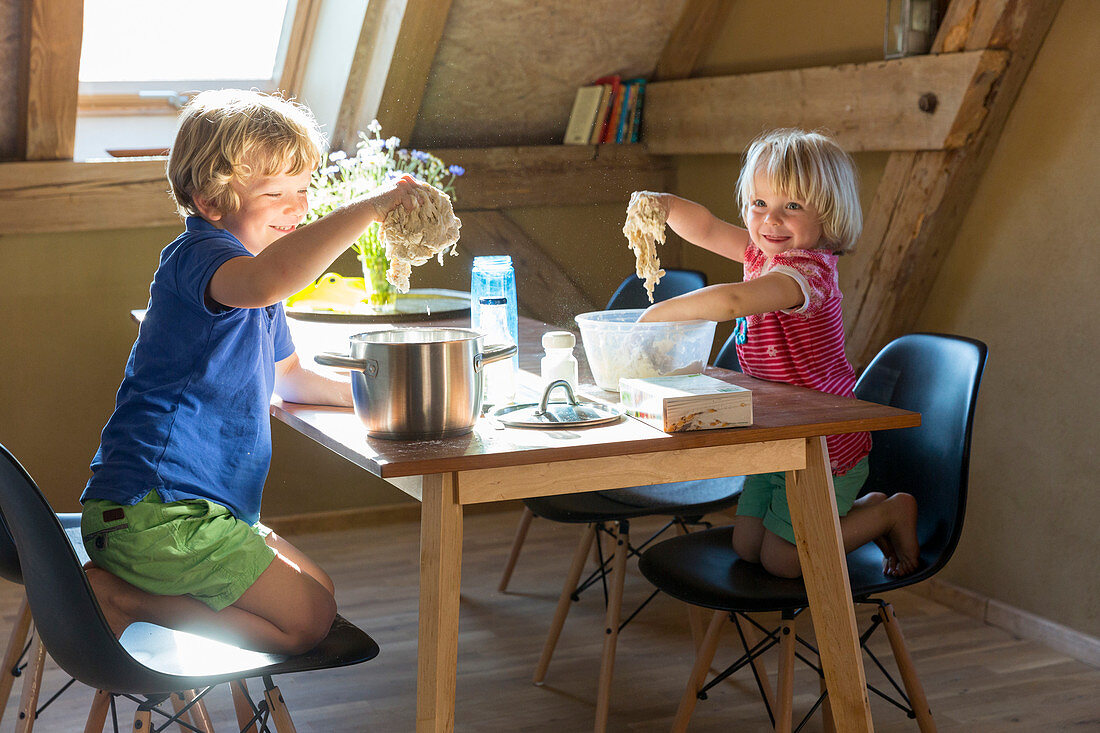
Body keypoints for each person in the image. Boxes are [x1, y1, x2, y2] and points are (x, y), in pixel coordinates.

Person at [80, 89, 434, 654]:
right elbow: (272, 278)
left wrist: (388, 400)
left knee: (321, 594)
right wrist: (371, 207)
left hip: (204, 511)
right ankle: (121, 598)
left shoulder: (260, 290)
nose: (298, 209)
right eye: (275, 194)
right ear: (210, 201)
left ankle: (132, 590)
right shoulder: (201, 258)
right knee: (306, 623)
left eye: (303, 190)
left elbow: (290, 379)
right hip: (156, 513)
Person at [635, 128, 919, 579]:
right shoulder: (761, 254)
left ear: (828, 214)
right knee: (747, 547)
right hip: (778, 434)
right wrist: (665, 205)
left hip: (823, 443)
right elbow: (706, 227)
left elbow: (732, 303)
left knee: (782, 562)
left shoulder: (807, 273)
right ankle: (865, 511)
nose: (771, 220)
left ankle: (888, 513)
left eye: (792, 207)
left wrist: (658, 314)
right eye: (759, 204)